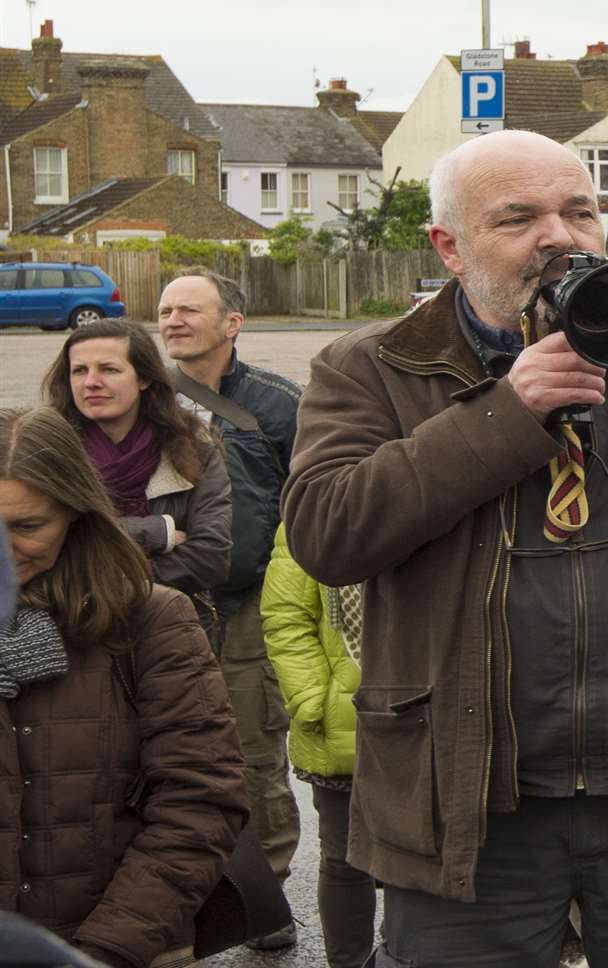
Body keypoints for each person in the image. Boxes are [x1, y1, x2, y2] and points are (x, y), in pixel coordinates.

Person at [282, 129, 608, 966]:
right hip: (470, 801)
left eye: (579, 211)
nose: (561, 237)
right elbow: (327, 533)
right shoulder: (372, 368)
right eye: (518, 217)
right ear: (449, 247)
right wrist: (505, 414)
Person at [0, 406, 249, 968]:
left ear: (76, 515)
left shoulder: (151, 621)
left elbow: (200, 799)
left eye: (27, 526)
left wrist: (107, 952)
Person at [156, 266, 304, 949]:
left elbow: (315, 504)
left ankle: (264, 901)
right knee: (161, 759)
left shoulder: (279, 404)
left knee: (252, 754)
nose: (174, 320)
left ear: (231, 324)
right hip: (165, 604)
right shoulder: (148, 403)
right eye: (165, 310)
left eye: (190, 309)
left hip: (249, 607)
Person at [41, 319, 233, 602]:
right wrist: (158, 531)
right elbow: (42, 545)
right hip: (69, 628)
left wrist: (99, 578)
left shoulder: (194, 448)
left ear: (143, 378)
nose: (91, 382)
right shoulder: (45, 450)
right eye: (79, 371)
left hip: (172, 626)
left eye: (109, 369)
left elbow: (211, 558)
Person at [259, 525, 373, 968]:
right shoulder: (316, 515)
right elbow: (286, 616)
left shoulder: (428, 497)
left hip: (426, 715)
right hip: (338, 721)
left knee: (424, 860)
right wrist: (313, 700)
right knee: (344, 856)